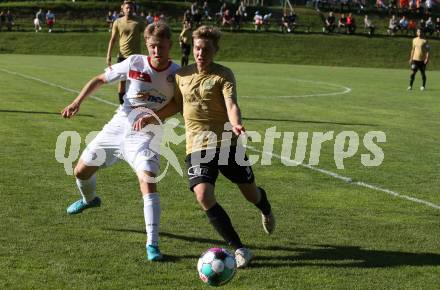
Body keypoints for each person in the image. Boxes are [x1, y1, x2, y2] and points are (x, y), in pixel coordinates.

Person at [139, 25, 276, 269]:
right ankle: (240, 248)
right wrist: (153, 116)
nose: (201, 53)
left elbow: (231, 104)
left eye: (206, 49)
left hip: (226, 144)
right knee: (203, 194)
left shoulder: (223, 75)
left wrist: (236, 123)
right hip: (197, 147)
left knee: (251, 193)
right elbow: (176, 106)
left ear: (215, 50)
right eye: (198, 48)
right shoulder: (181, 75)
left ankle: (264, 207)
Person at [61, 22, 179, 261]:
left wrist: (152, 116)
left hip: (147, 133)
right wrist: (77, 102)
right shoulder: (135, 62)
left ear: (170, 45)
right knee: (80, 171)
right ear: (147, 44)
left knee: (147, 181)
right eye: (153, 46)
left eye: (162, 47)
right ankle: (89, 200)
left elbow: (178, 104)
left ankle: (152, 245)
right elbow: (100, 79)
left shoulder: (176, 73)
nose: (157, 51)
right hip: (119, 125)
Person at [107, 0, 145, 105]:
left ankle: (135, 104)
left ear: (134, 9)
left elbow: (147, 36)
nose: (129, 10)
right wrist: (108, 55)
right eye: (127, 8)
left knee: (137, 82)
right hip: (122, 56)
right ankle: (122, 104)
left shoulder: (139, 22)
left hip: (136, 57)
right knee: (122, 81)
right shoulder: (117, 22)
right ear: (122, 9)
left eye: (131, 8)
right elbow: (113, 39)